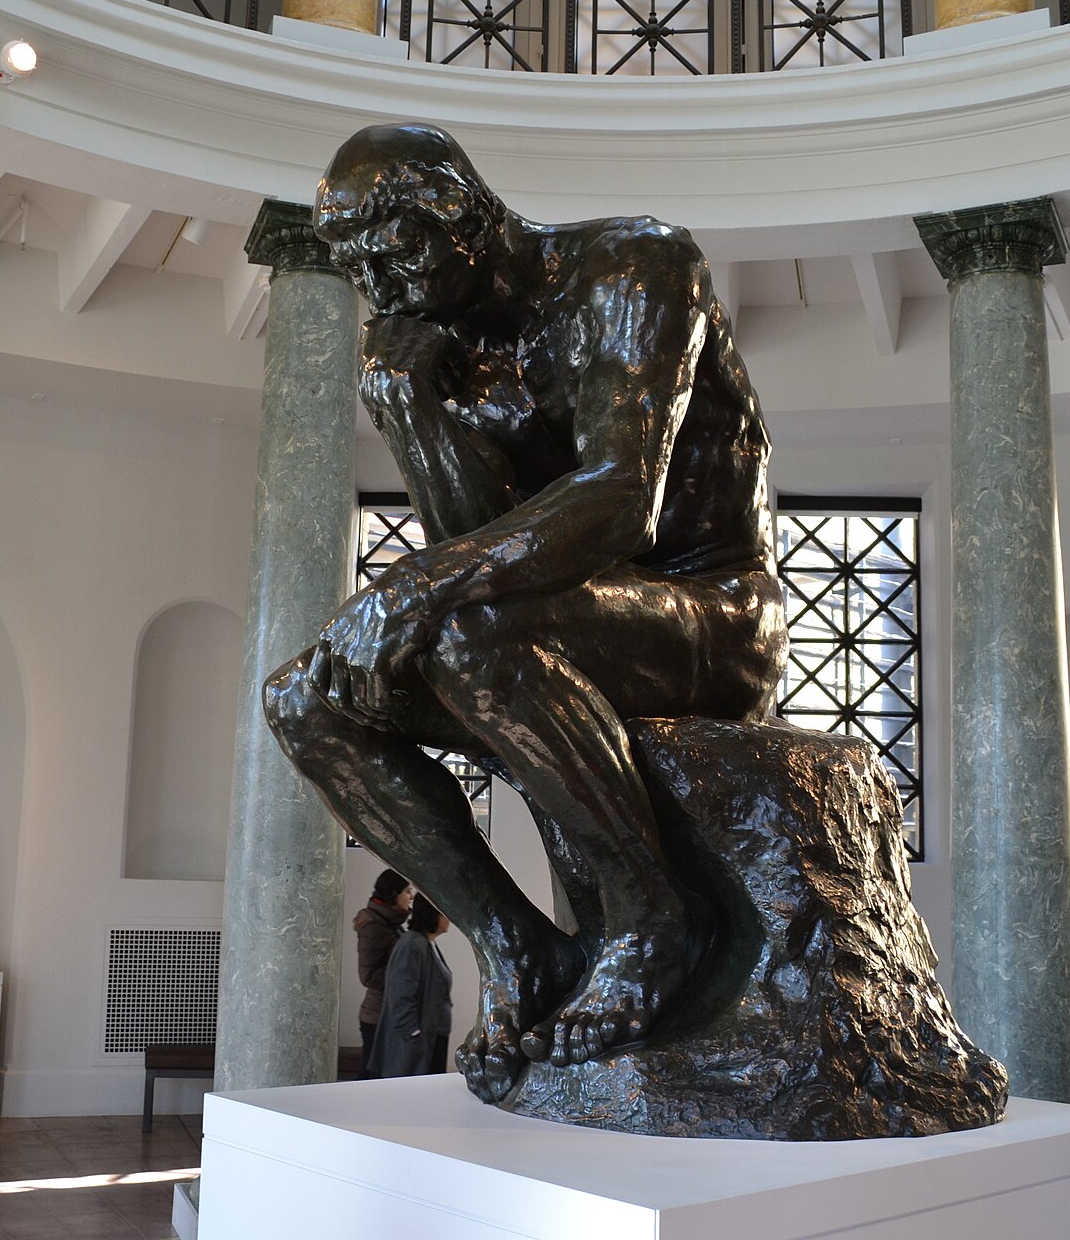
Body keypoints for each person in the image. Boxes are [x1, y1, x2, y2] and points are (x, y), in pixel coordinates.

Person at [264, 122, 788, 1104]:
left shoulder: (630, 265)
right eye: (356, 266)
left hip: (711, 613)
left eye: (391, 251)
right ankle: (523, 951)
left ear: (462, 216)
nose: (377, 285)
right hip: (565, 620)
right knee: (306, 699)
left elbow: (620, 495)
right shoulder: (444, 346)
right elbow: (479, 535)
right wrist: (411, 412)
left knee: (457, 614)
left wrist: (418, 587)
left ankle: (652, 917)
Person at [369, 894, 453, 1078]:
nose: (449, 917)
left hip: (431, 1036)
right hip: (416, 1041)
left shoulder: (427, 943)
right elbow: (401, 993)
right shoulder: (413, 944)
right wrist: (413, 1033)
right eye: (444, 912)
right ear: (432, 915)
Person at [352, 869, 413, 1078]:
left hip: (388, 1013)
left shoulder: (390, 923)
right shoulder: (374, 926)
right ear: (393, 895)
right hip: (378, 1016)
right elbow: (367, 977)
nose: (411, 895)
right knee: (372, 1079)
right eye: (407, 891)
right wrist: (403, 971)